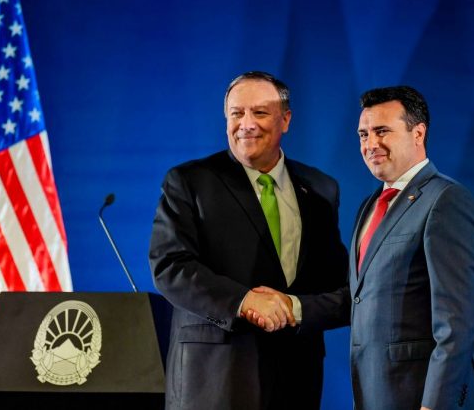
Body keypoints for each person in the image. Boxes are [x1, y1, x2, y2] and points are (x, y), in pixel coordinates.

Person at [148, 71, 348, 410]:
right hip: (214, 379)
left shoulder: (320, 189)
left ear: (286, 119)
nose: (246, 124)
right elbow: (170, 266)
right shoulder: (190, 181)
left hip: (295, 378)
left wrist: (296, 308)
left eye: (260, 112)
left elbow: (337, 283)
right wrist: (244, 301)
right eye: (237, 113)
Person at [349, 85, 474, 409]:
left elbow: (457, 323)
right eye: (364, 134)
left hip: (419, 398)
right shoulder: (369, 206)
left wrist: (434, 404)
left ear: (418, 133)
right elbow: (360, 296)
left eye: (382, 131)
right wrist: (293, 307)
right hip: (374, 394)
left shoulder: (446, 200)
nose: (371, 144)